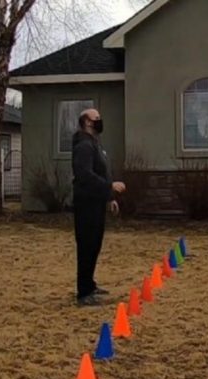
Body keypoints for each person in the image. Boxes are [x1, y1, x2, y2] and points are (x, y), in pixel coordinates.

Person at [72, 108, 126, 306]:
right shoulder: (84, 146)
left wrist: (108, 197)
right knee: (86, 247)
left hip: (96, 202)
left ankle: (90, 284)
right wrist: (109, 186)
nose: (100, 121)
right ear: (87, 121)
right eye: (97, 118)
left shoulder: (94, 144)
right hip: (85, 204)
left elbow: (101, 172)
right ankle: (84, 293)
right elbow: (84, 175)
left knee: (94, 246)